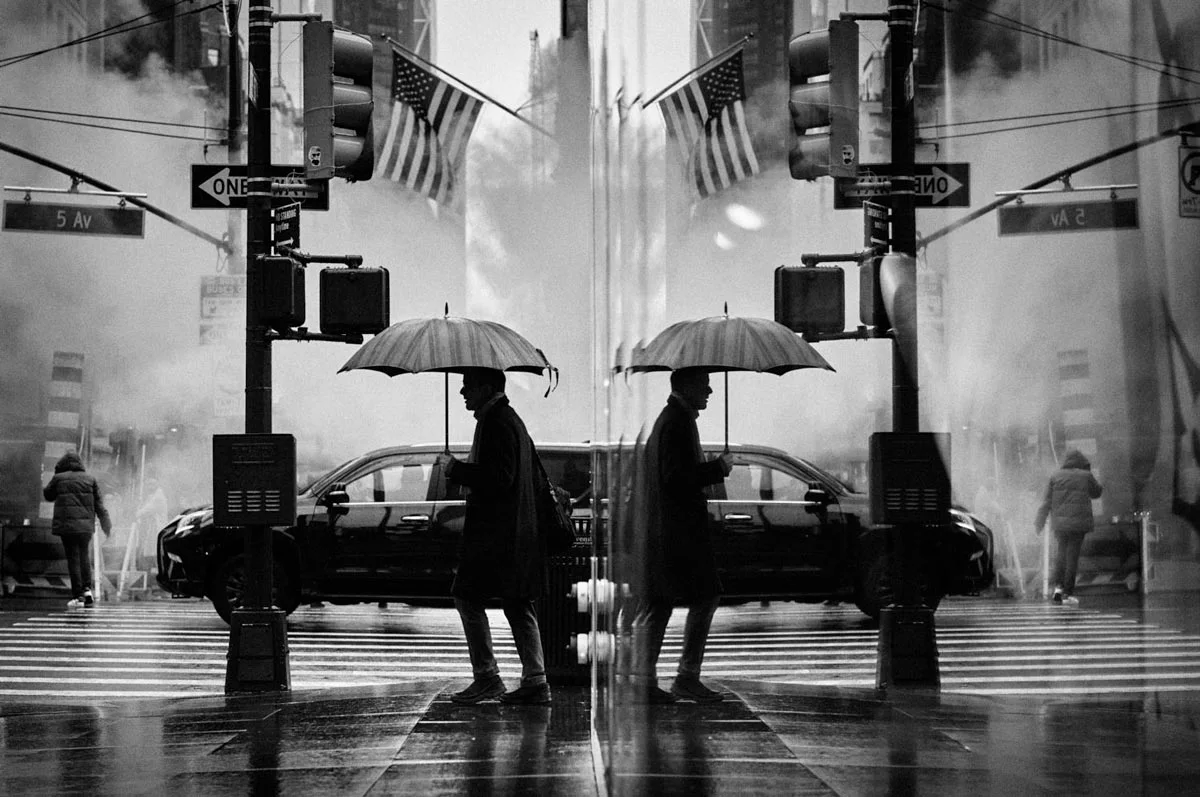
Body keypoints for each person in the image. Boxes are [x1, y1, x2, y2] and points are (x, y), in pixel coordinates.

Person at [438, 367, 551, 705]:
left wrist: (455, 469)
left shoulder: (496, 423)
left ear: (487, 387)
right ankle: (535, 679)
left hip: (495, 535)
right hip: (514, 532)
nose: (462, 393)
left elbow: (500, 477)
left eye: (467, 386)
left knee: (467, 598)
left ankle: (487, 677)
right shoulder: (509, 419)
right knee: (518, 603)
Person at [632, 367, 734, 703]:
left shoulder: (670, 419)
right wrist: (718, 468)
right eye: (704, 385)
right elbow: (676, 477)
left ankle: (648, 679)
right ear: (687, 386)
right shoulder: (677, 422)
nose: (709, 391)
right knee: (703, 598)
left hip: (668, 531)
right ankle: (685, 676)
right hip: (678, 533)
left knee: (661, 603)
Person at [43, 451, 112, 609]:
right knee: (84, 556)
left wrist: (57, 474)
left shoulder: (59, 478)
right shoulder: (90, 479)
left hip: (67, 526)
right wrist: (106, 526)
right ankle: (87, 590)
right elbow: (100, 506)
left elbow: (48, 495)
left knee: (73, 559)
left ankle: (78, 595)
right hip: (85, 527)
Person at [1034, 449, 1103, 606]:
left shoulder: (1055, 476)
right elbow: (1097, 492)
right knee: (1072, 558)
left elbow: (1046, 502)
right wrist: (1090, 475)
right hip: (1078, 525)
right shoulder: (1086, 476)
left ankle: (1058, 589)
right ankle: (1068, 593)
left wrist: (1039, 521)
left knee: (1061, 555)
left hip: (1060, 525)